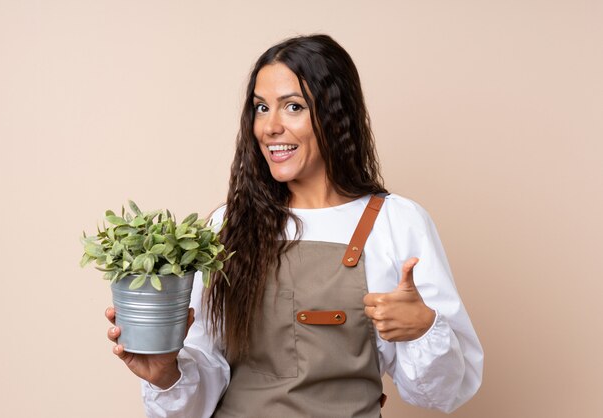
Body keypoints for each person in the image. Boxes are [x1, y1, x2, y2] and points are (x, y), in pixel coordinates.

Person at [106, 34, 483, 417]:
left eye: (293, 106)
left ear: (337, 115)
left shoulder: (397, 223)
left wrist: (423, 327)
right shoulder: (228, 225)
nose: (270, 127)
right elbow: (205, 377)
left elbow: (444, 394)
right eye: (261, 107)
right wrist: (166, 373)